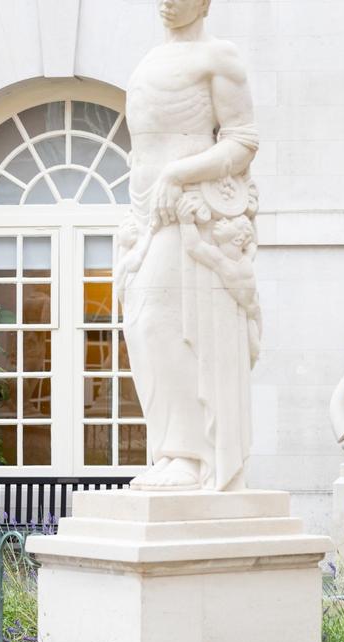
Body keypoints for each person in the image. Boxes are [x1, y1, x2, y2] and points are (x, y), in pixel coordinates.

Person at [116, 0, 262, 490]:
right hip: (144, 213)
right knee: (139, 327)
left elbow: (242, 141)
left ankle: (193, 455)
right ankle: (169, 452)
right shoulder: (147, 61)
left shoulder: (218, 56)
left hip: (187, 212)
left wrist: (178, 174)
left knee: (164, 324)